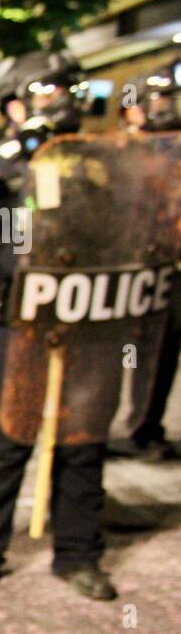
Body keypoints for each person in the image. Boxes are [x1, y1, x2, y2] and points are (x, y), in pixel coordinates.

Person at [0, 50, 117, 601]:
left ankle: (78, 553)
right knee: (0, 442)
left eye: (69, 87)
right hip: (6, 327)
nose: (62, 99)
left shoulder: (98, 164)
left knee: (81, 440)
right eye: (47, 90)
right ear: (15, 104)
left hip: (81, 323)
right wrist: (22, 268)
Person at [115, 63, 180, 461]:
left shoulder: (174, 146)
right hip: (137, 267)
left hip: (173, 267)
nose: (165, 107)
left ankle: (149, 425)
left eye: (168, 99)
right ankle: (137, 429)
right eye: (156, 100)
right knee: (143, 352)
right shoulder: (121, 151)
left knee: (165, 351)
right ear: (133, 109)